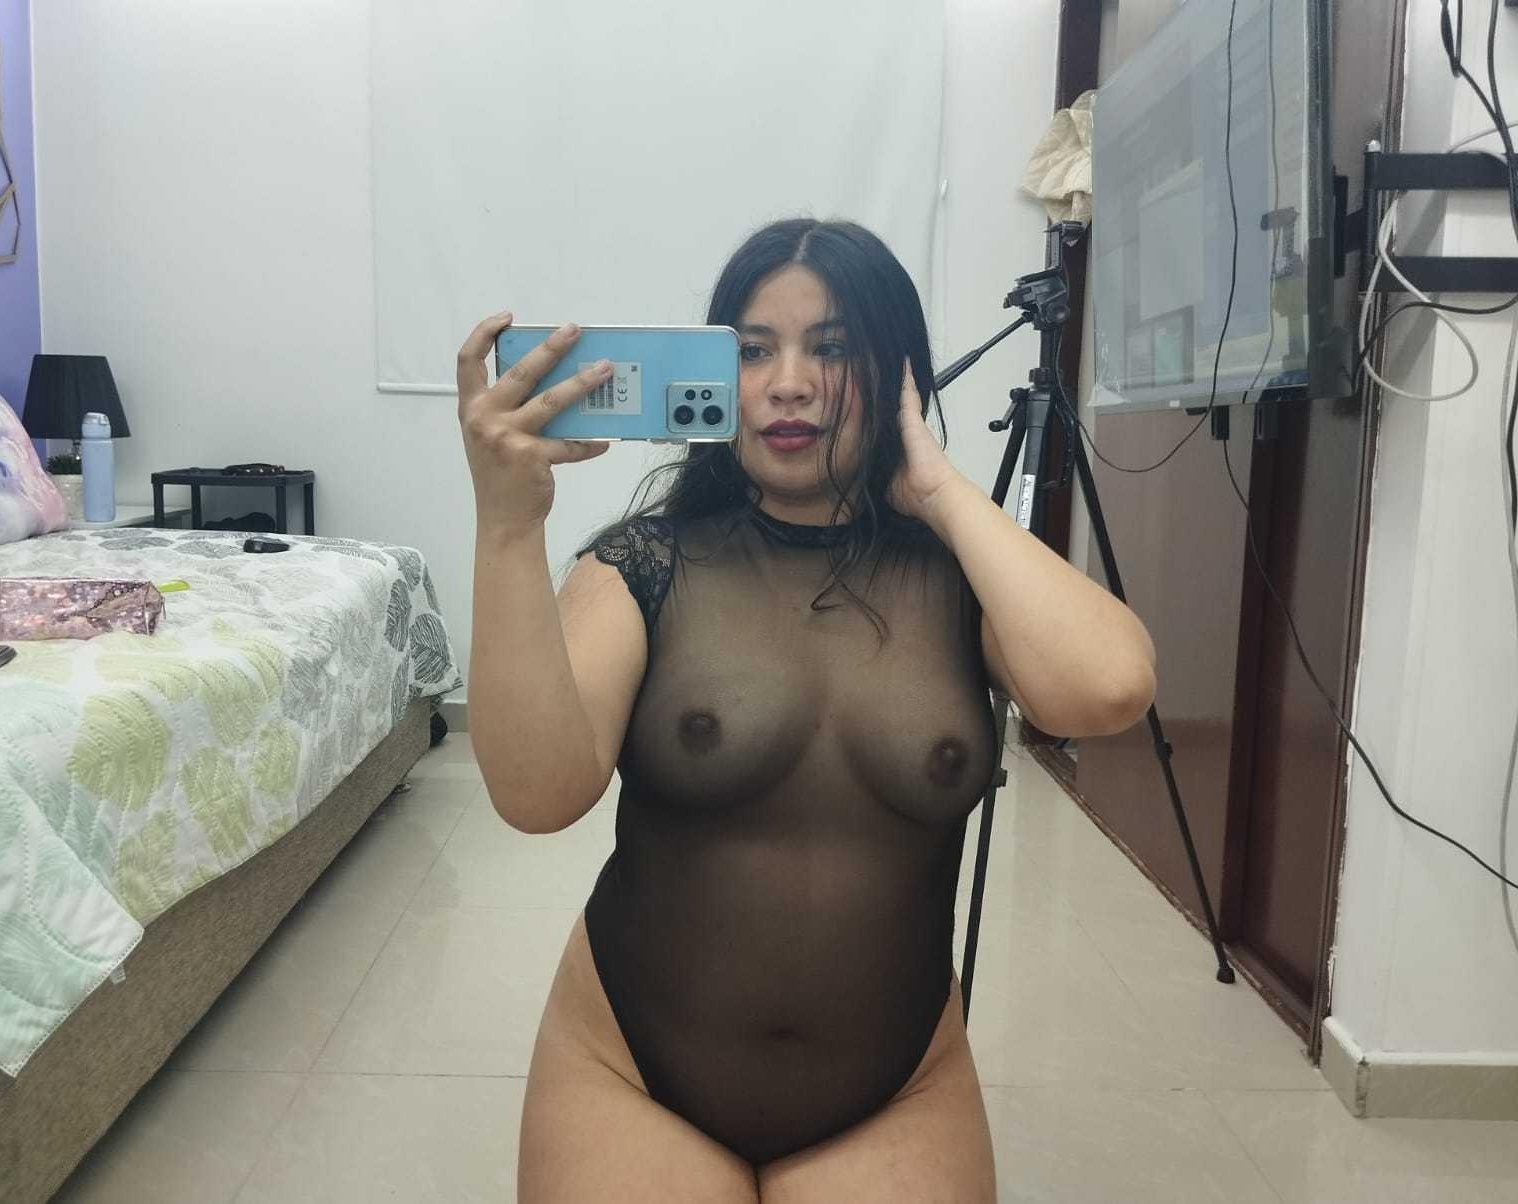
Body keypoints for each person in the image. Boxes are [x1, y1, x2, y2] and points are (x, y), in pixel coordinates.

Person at [461, 219, 1157, 1203]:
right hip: (629, 1071)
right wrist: (506, 527)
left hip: (896, 1088)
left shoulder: (958, 579)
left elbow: (1111, 686)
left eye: (832, 349)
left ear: (898, 373)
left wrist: (938, 489)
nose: (788, 383)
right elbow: (537, 794)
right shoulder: (646, 564)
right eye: (753, 351)